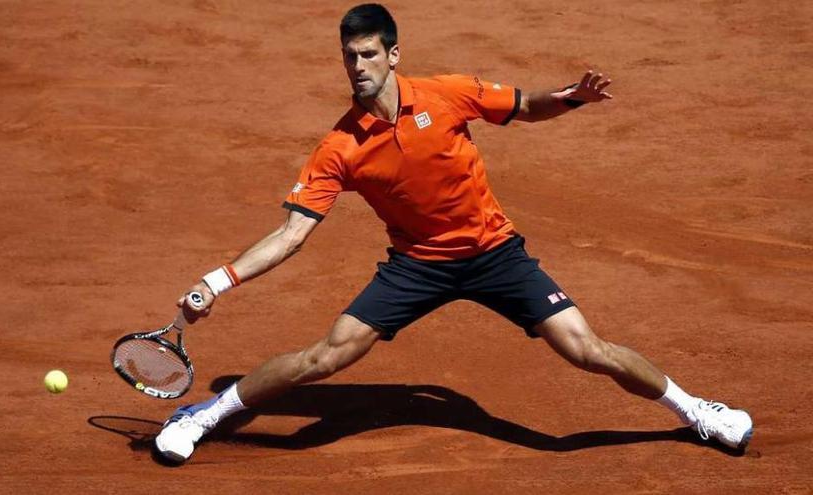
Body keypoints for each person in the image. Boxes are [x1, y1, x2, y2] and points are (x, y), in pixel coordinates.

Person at [154, 3, 753, 463]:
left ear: (393, 55)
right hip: (416, 266)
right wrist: (216, 282)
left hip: (495, 253)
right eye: (348, 57)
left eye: (367, 55)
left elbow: (524, 106)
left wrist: (571, 97)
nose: (357, 68)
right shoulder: (340, 148)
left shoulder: (446, 94)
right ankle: (203, 416)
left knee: (587, 351)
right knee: (325, 357)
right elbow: (289, 236)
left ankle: (697, 411)